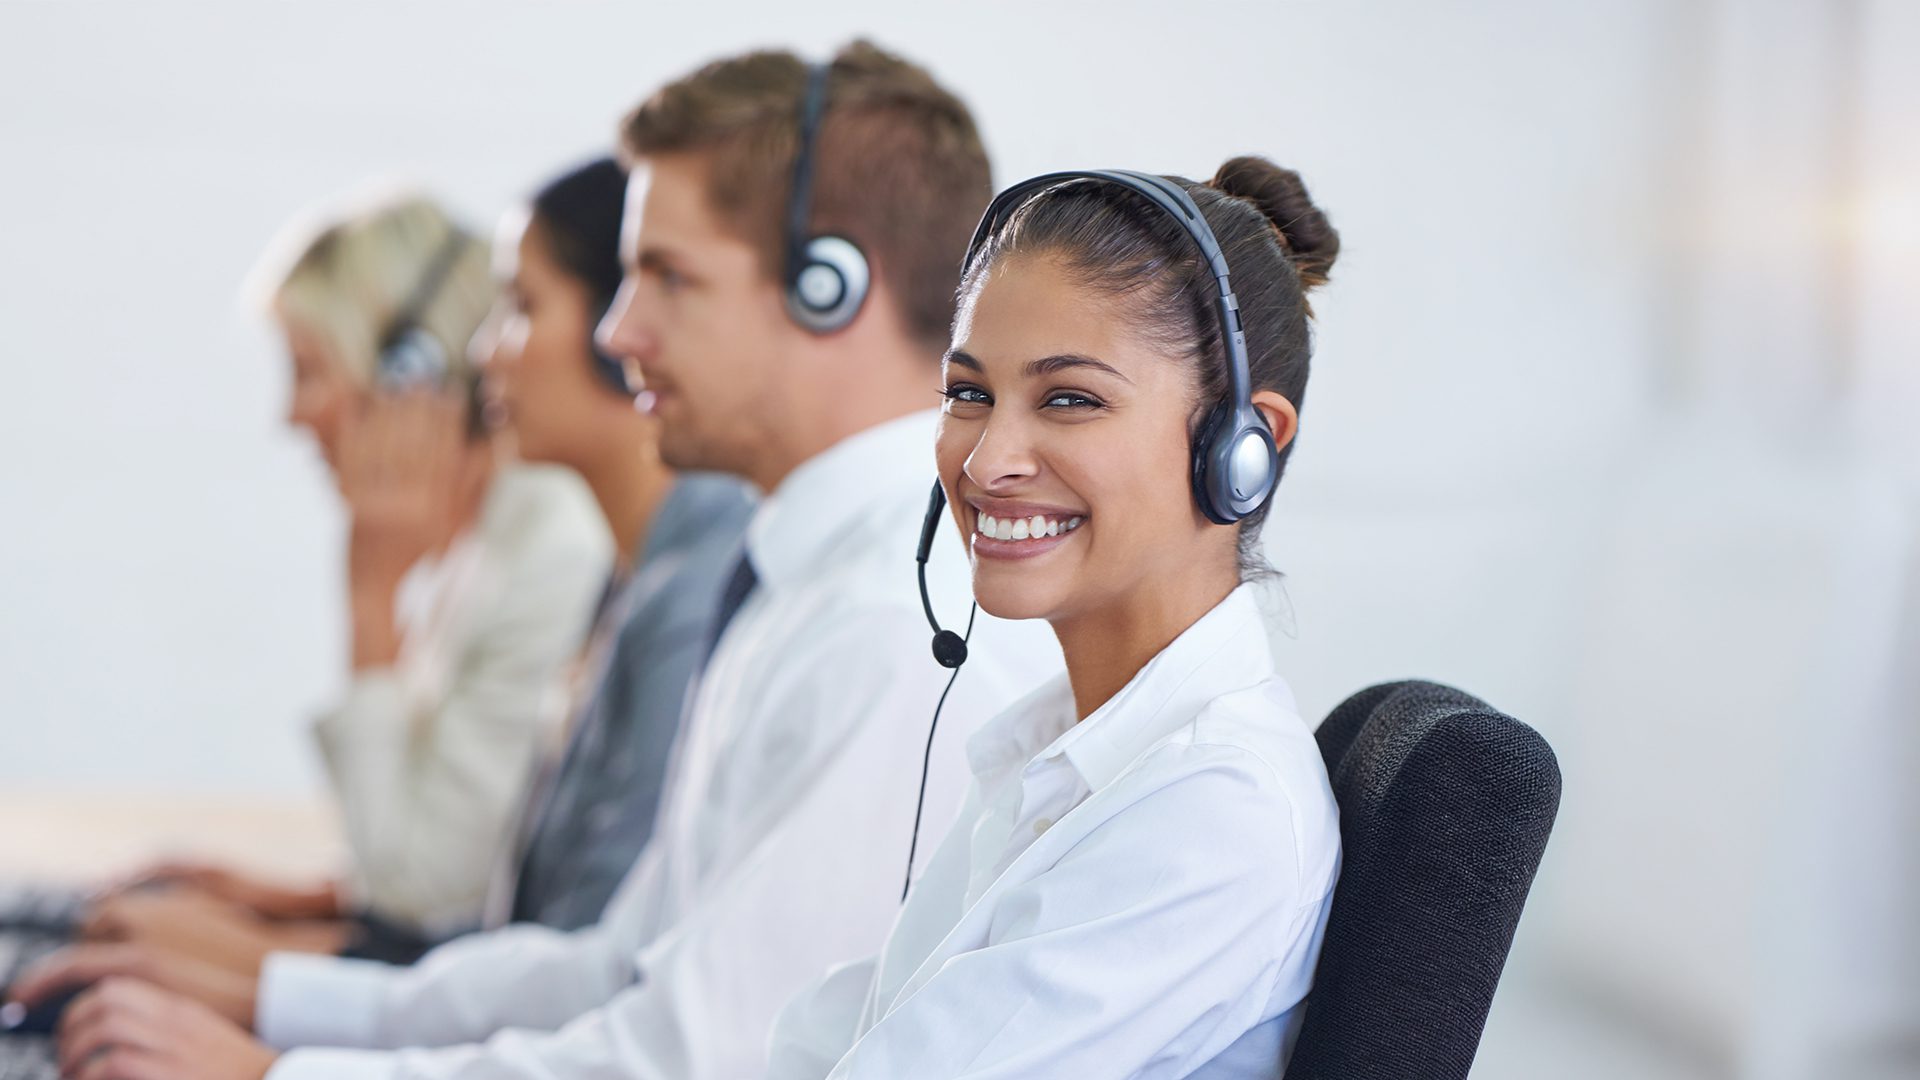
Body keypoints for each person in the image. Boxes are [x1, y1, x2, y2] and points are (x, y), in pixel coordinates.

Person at [27, 40, 1059, 1080]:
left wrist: (267, 1071)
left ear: (830, 288)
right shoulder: (802, 585)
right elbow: (614, 971)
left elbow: (699, 1059)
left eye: (667, 277)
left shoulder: (892, 630)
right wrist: (279, 1001)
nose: (621, 330)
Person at [67, 159, 754, 973]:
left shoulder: (562, 549)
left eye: (310, 370)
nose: (294, 416)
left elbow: (424, 890)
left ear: (410, 373)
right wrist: (300, 905)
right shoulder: (497, 545)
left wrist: (369, 599)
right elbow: (466, 888)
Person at [758, 161, 1345, 1076]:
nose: (988, 462)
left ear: (1245, 447)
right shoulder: (1061, 751)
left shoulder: (1211, 814)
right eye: (968, 393)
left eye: (1070, 399)